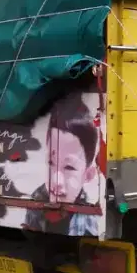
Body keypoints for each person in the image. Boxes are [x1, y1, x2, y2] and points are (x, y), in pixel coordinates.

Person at [23, 93, 101, 236]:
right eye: (51, 162)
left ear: (88, 174)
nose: (56, 181)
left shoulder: (88, 221)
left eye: (69, 167)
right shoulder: (35, 203)